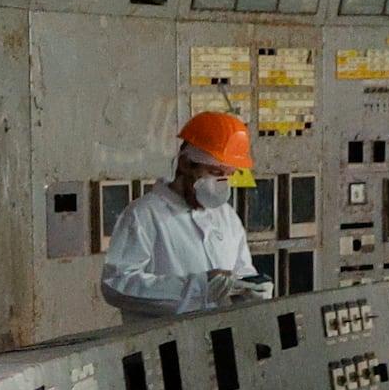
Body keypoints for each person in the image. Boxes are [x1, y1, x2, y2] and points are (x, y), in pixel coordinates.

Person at [100, 111, 275, 320]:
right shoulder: (144, 215)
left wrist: (251, 291)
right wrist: (196, 287)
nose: (223, 183)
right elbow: (117, 284)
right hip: (162, 343)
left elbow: (241, 273)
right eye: (216, 173)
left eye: (230, 174)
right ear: (185, 164)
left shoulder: (227, 217)